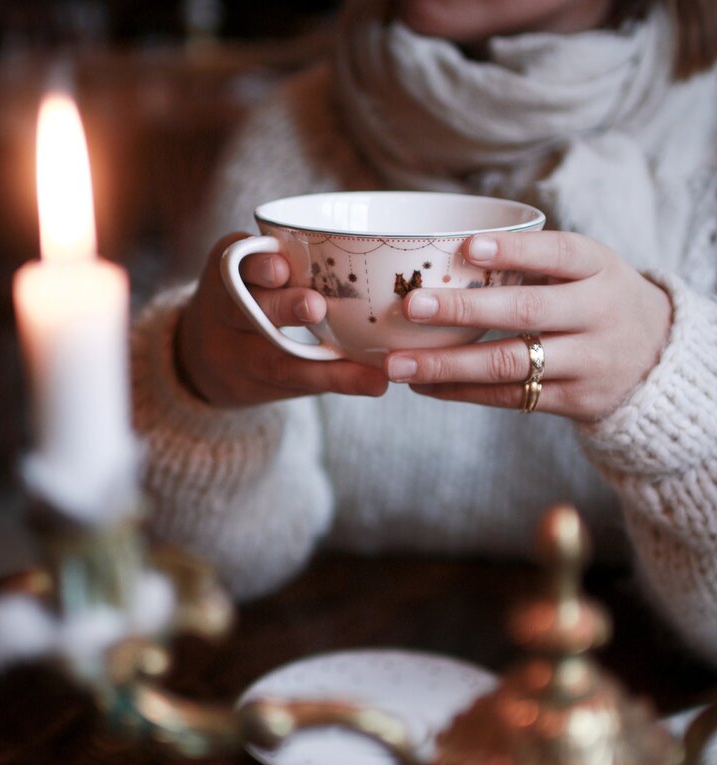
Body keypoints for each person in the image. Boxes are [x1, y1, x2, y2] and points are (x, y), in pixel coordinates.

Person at [130, 0, 717, 666]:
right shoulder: (292, 134)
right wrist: (198, 391)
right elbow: (207, 578)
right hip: (337, 696)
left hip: (622, 716)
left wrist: (679, 397)